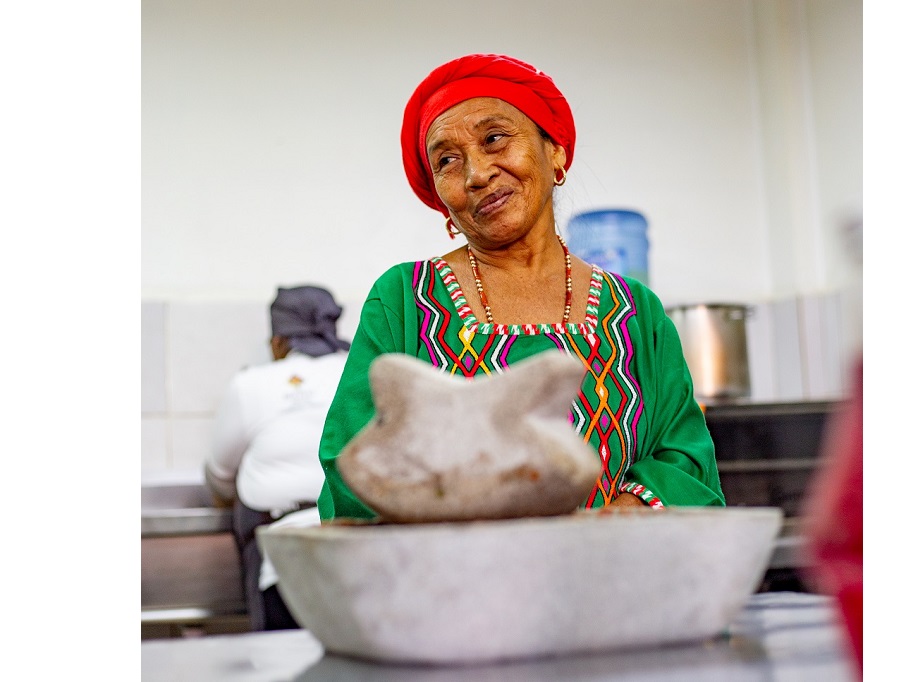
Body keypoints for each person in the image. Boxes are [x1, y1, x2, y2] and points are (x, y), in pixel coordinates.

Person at [317, 53, 724, 521]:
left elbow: (686, 457)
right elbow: (356, 461)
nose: (477, 174)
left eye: (495, 138)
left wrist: (630, 508)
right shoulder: (405, 300)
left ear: (555, 152)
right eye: (447, 160)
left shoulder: (636, 312)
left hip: (614, 578)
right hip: (457, 586)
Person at [205, 285, 349, 630]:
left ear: (279, 341)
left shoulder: (251, 384)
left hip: (281, 559)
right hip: (360, 548)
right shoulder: (360, 372)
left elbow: (219, 477)